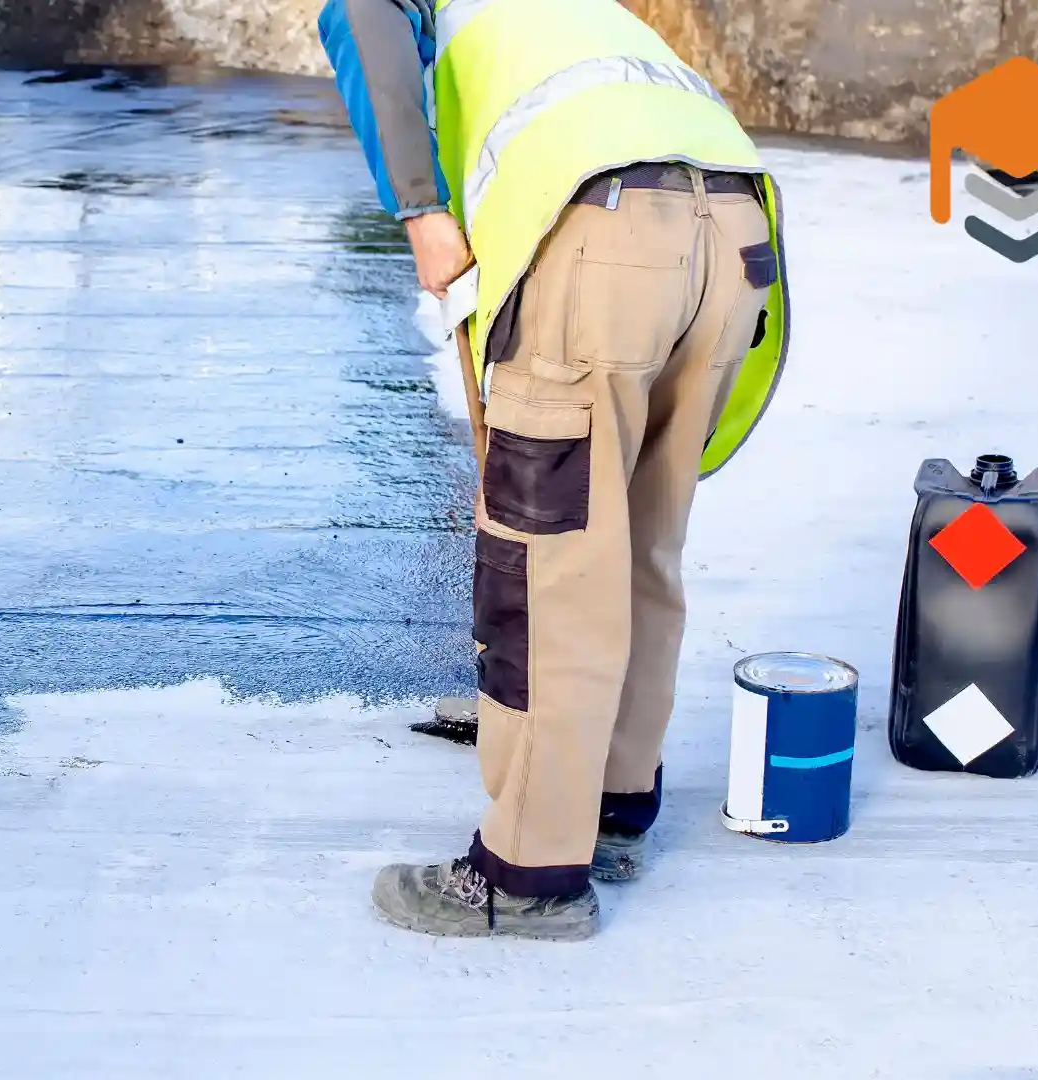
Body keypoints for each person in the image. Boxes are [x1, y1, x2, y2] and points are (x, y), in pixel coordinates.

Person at [317, 0, 792, 939]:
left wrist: (420, 212)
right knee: (641, 537)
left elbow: (364, 24)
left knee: (548, 564)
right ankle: (613, 806)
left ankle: (527, 872)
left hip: (608, 240)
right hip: (735, 229)